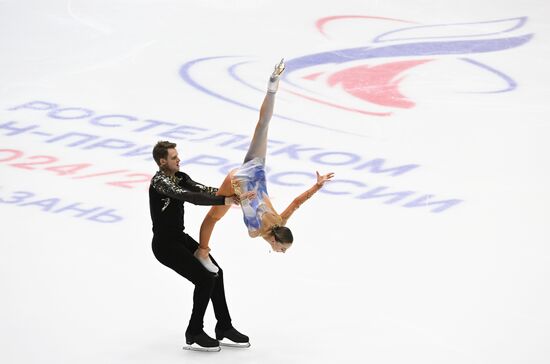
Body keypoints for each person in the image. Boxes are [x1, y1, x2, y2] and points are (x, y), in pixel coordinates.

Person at [196, 59, 335, 273]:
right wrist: (238, 198)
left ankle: (272, 88)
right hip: (237, 182)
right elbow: (249, 207)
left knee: (262, 126)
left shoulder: (281, 219)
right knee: (213, 217)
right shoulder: (255, 232)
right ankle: (202, 251)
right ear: (275, 242)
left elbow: (297, 202)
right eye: (283, 248)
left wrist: (317, 187)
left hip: (256, 170)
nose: (283, 251)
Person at [149, 141, 252, 351]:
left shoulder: (180, 177)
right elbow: (189, 196)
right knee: (205, 279)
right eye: (174, 157)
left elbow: (202, 189)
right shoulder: (160, 182)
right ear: (162, 161)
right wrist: (225, 202)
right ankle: (194, 332)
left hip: (179, 238)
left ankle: (224, 326)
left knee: (217, 273)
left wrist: (231, 195)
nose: (179, 160)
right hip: (165, 246)